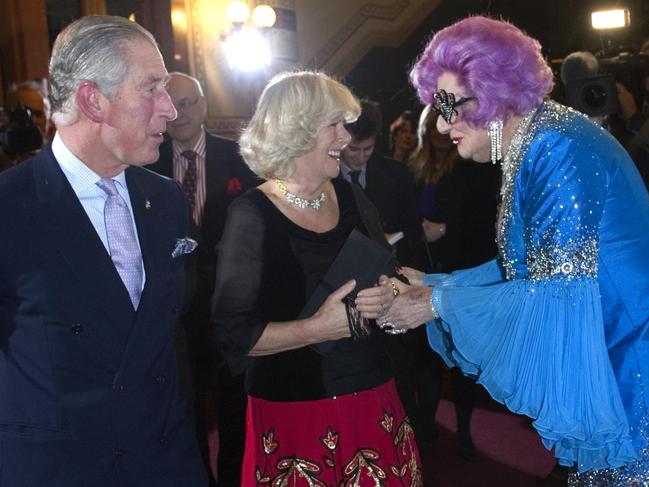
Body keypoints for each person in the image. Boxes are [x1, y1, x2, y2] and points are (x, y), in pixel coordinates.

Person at [357, 16, 649, 485]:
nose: (442, 121)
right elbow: (532, 267)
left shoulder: (557, 146)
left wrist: (435, 302)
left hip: (631, 365)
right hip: (611, 350)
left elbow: (556, 292)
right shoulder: (534, 144)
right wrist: (437, 284)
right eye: (437, 106)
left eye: (450, 104)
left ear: (495, 95)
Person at [0, 15, 207, 486]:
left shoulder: (167, 199)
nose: (169, 110)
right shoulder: (8, 208)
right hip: (62, 469)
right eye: (151, 89)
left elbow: (169, 344)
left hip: (164, 462)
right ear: (93, 100)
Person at [212, 71, 423, 486]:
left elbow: (391, 273)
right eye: (336, 125)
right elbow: (231, 334)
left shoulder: (347, 194)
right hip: (296, 408)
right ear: (297, 130)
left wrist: (387, 292)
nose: (347, 137)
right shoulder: (251, 215)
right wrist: (315, 329)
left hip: (373, 389)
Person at [149, 71, 258, 486]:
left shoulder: (241, 159)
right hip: (175, 311)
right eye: (172, 104)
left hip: (233, 305)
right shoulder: (146, 160)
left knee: (235, 407)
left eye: (189, 102)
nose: (181, 114)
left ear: (204, 105)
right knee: (185, 407)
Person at [405, 105, 501, 459]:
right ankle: (426, 427)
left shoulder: (474, 164)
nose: (439, 133)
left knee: (463, 357)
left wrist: (443, 230)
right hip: (421, 269)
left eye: (444, 127)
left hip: (464, 271)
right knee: (426, 356)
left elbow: (486, 220)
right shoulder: (412, 167)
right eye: (431, 128)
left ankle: (462, 430)